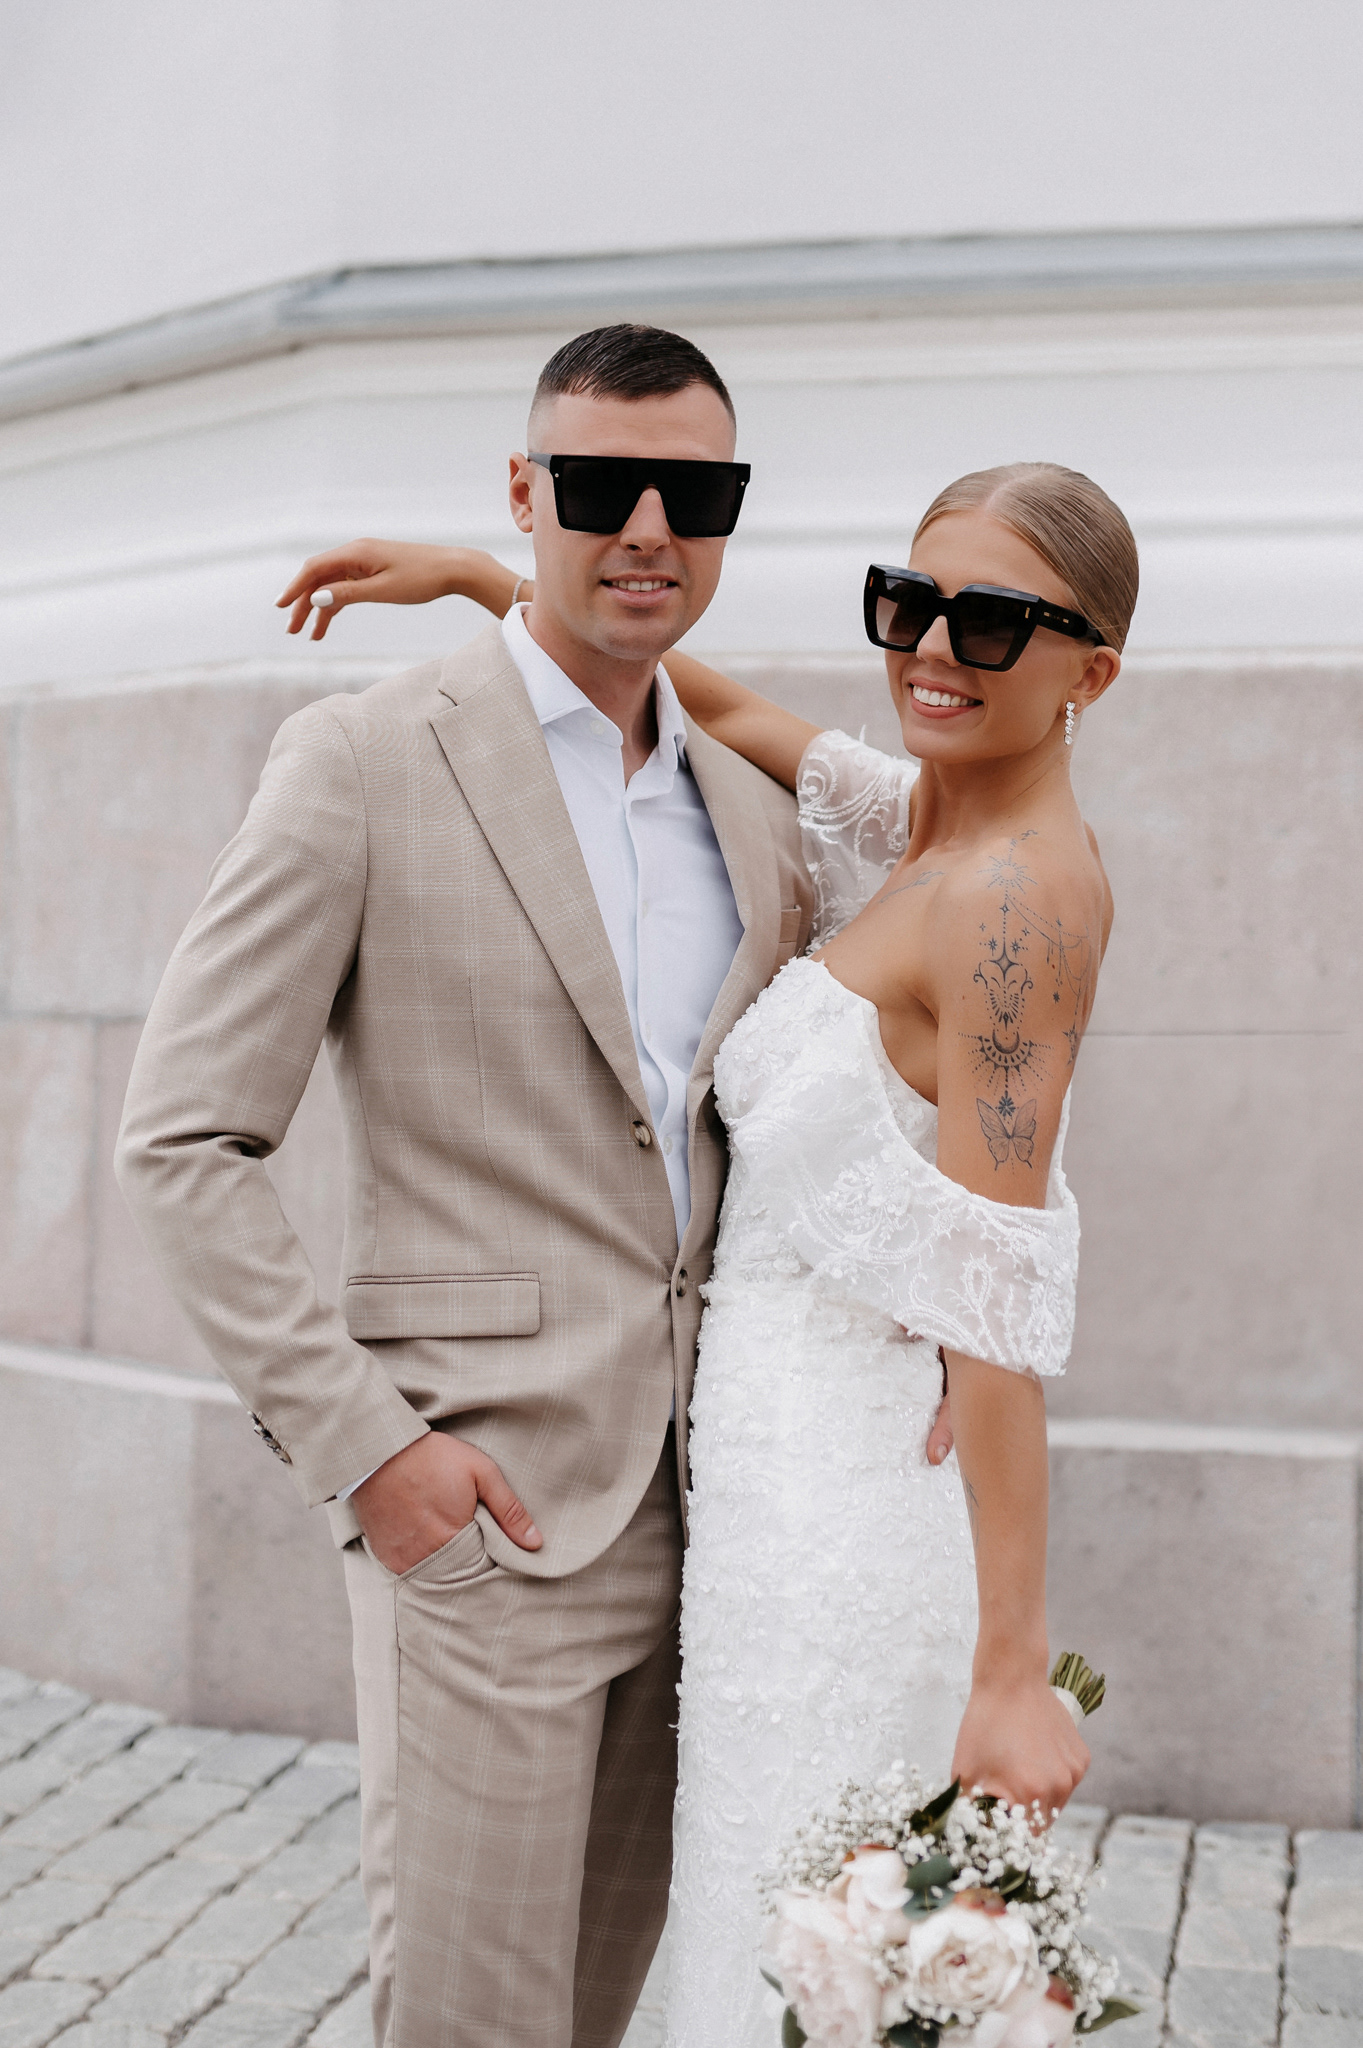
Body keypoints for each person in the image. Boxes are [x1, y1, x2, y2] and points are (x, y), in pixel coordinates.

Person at [276, 455, 1135, 2048]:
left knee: (792, 1934)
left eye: (994, 624)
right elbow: (725, 713)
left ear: (1092, 671)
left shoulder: (1011, 901)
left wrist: (1013, 1666)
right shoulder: (927, 818)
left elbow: (998, 1293)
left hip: (842, 1500)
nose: (934, 652)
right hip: (747, 1487)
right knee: (740, 1906)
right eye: (910, 604)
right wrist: (487, 581)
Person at [116, 323, 829, 2048]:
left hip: (714, 1532)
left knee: (590, 2016)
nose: (648, 528)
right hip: (483, 1526)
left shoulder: (756, 814)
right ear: (525, 491)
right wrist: (374, 1455)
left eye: (695, 496)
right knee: (470, 2024)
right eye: (599, 487)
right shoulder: (364, 759)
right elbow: (185, 1139)